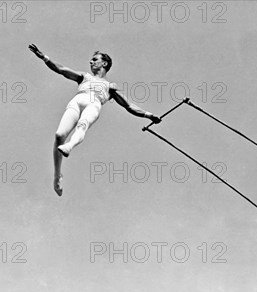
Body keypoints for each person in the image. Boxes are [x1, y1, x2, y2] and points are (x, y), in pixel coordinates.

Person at [28, 44, 161, 196]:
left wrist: (149, 115)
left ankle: (70, 145)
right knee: (59, 135)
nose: (91, 62)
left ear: (104, 63)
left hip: (94, 103)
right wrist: (44, 57)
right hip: (78, 100)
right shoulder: (84, 77)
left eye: (94, 59)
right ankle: (57, 175)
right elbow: (61, 69)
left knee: (82, 125)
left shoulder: (110, 86)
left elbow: (129, 106)